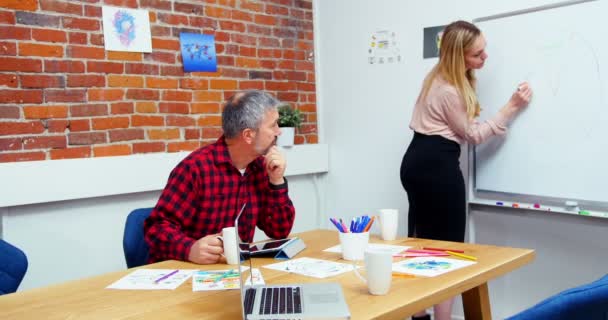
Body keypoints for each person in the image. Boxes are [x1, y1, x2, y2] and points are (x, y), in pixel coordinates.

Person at [399, 21, 532, 320]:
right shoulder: (450, 91)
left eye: (484, 50)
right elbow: (472, 135)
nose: (485, 58)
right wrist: (511, 107)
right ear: (458, 56)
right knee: (448, 250)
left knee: (422, 243)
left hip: (416, 160)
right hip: (436, 165)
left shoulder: (438, 77)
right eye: (477, 54)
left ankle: (419, 314)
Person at [144, 90, 296, 265]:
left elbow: (279, 230)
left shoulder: (261, 168)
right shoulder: (195, 168)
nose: (279, 132)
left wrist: (276, 181)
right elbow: (155, 229)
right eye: (273, 125)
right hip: (187, 274)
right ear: (248, 135)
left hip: (232, 274)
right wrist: (189, 249)